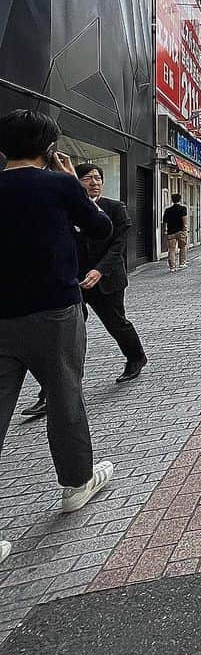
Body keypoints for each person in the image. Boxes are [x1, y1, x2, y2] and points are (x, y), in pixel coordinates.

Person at [0, 111, 116, 561]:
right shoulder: (57, 183)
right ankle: (76, 483)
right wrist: (71, 180)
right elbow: (101, 228)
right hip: (54, 310)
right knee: (65, 395)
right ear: (49, 147)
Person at [74, 164, 147, 382]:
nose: (94, 182)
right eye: (87, 178)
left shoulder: (115, 208)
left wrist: (99, 270)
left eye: (97, 178)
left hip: (108, 279)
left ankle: (136, 357)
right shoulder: (69, 211)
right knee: (68, 333)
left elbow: (119, 245)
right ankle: (51, 390)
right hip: (76, 280)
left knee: (116, 323)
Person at [162, 191, 189, 270]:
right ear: (180, 200)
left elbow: (164, 222)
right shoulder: (183, 208)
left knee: (171, 249)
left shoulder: (167, 210)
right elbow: (184, 219)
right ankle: (182, 263)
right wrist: (185, 227)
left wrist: (165, 230)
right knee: (182, 247)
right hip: (181, 231)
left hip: (171, 232)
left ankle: (172, 267)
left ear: (172, 200)